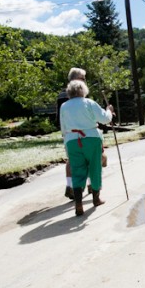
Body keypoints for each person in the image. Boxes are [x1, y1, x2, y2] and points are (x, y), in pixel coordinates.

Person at [59, 78, 113, 216]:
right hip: (91, 138)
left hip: (72, 140)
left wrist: (66, 144)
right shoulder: (89, 103)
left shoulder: (64, 106)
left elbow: (63, 128)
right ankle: (96, 198)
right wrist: (109, 111)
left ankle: (78, 203)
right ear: (83, 91)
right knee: (95, 167)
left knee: (77, 170)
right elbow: (105, 119)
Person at [58, 68, 87, 197]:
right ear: (75, 78)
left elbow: (60, 117)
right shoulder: (80, 94)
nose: (84, 80)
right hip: (82, 132)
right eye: (82, 78)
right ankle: (91, 186)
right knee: (89, 158)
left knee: (72, 159)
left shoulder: (61, 95)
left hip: (69, 133)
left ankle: (70, 186)